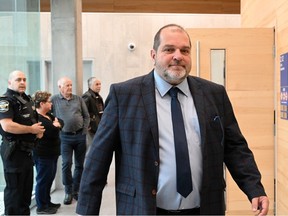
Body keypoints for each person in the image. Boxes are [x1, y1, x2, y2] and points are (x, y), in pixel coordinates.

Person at [76, 24, 269, 215]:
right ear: (153, 55)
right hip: (144, 209)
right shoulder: (124, 95)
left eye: (185, 50)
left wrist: (254, 188)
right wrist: (86, 210)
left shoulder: (214, 94)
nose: (178, 56)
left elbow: (235, 147)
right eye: (169, 49)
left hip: (205, 209)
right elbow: (98, 158)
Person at [0, 70, 45, 215]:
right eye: (18, 79)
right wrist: (31, 130)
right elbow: (7, 125)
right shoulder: (5, 101)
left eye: (24, 79)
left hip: (27, 152)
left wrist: (38, 132)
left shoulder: (25, 99)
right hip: (14, 152)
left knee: (25, 193)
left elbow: (32, 121)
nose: (22, 82)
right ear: (10, 82)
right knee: (14, 193)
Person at [51, 76, 90, 205]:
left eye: (71, 85)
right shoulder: (54, 100)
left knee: (79, 165)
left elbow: (86, 116)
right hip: (64, 137)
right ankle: (68, 191)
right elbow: (48, 116)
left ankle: (76, 190)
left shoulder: (78, 99)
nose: (70, 87)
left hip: (79, 136)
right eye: (67, 85)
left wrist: (84, 130)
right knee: (66, 164)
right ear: (60, 87)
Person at [32, 91, 64, 214]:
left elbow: (61, 121)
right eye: (49, 102)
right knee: (43, 180)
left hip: (52, 153)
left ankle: (47, 202)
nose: (51, 104)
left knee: (49, 178)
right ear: (42, 103)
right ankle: (41, 207)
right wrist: (56, 126)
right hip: (43, 154)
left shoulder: (48, 116)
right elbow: (52, 131)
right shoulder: (37, 118)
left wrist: (57, 125)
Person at [82, 77, 104, 150]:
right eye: (97, 84)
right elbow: (83, 112)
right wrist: (88, 125)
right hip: (91, 127)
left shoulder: (98, 96)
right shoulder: (87, 96)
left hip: (98, 126)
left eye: (100, 84)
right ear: (90, 86)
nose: (99, 86)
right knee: (91, 148)